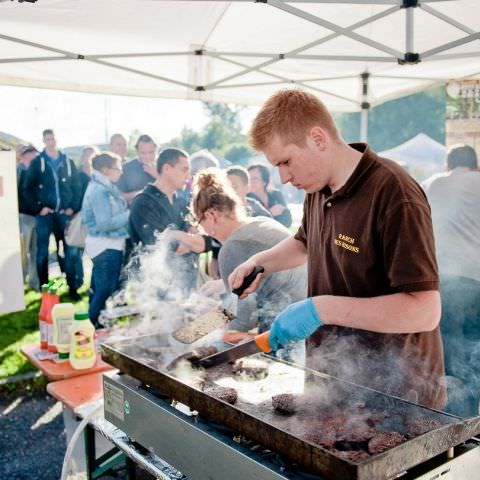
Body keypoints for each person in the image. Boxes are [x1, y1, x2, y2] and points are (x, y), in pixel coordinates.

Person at [229, 89, 445, 410]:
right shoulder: (317, 186)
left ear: (318, 138)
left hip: (397, 394)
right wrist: (261, 262)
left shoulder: (394, 193)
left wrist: (321, 309)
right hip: (336, 380)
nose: (284, 177)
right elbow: (306, 241)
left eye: (286, 162)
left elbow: (424, 311)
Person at [191, 168, 306, 342]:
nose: (203, 230)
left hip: (286, 329)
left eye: (200, 223)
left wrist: (200, 330)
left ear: (212, 215)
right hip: (307, 315)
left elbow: (244, 318)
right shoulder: (262, 221)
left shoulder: (232, 247)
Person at [424, 144, 480, 416]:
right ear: (475, 165)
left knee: (445, 351)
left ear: (448, 166)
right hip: (475, 282)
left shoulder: (434, 184)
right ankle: (467, 423)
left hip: (440, 283)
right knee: (472, 353)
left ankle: (447, 422)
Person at [24, 129, 81, 298]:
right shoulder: (38, 162)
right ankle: (46, 291)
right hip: (44, 216)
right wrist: (39, 208)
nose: (50, 141)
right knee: (42, 254)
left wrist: (72, 207)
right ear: (43, 140)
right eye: (47, 139)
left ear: (57, 139)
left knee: (68, 251)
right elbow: (27, 188)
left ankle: (72, 288)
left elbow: (77, 186)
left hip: (64, 214)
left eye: (52, 138)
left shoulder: (68, 162)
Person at [129, 148, 197, 291]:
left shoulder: (182, 201)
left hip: (186, 280)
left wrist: (182, 239)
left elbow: (195, 238)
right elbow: (160, 246)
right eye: (184, 170)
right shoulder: (143, 202)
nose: (188, 176)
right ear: (166, 168)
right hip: (157, 285)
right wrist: (188, 240)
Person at [82, 152, 129, 327]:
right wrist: (129, 214)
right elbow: (105, 223)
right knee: (104, 291)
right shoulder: (100, 190)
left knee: (99, 291)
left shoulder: (103, 186)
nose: (121, 172)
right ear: (105, 169)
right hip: (106, 246)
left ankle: (94, 327)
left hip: (107, 245)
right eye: (118, 168)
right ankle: (90, 327)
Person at [17, 145, 39, 290]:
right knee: (22, 252)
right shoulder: (18, 171)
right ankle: (18, 283)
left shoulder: (37, 171)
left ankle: (34, 283)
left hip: (37, 217)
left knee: (35, 251)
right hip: (23, 216)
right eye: (30, 155)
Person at [116, 134, 158, 204]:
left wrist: (158, 175)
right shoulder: (126, 168)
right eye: (143, 153)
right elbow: (119, 196)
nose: (147, 156)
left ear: (156, 150)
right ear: (137, 152)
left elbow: (176, 191)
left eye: (151, 152)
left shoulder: (165, 166)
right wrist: (142, 193)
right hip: (136, 211)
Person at [247, 163, 292, 227]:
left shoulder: (276, 195)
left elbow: (288, 221)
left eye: (255, 178)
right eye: (249, 178)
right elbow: (252, 225)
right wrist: (270, 213)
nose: (251, 182)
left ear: (264, 181)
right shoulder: (246, 199)